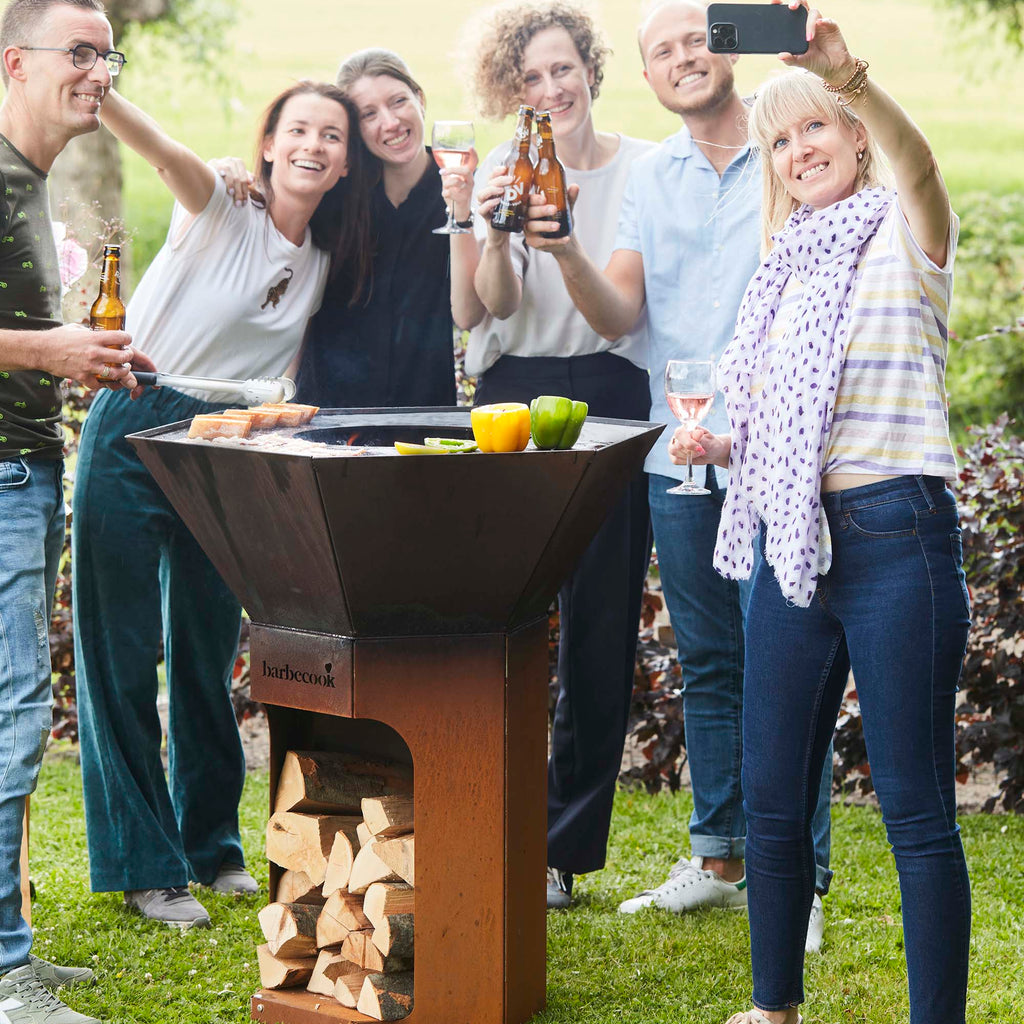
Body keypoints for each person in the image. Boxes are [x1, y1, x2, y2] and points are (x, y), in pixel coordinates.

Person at [671, 3, 970, 1021]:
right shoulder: (785, 270)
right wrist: (724, 444)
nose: (799, 149)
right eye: (780, 139)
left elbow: (920, 164)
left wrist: (846, 76)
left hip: (897, 539)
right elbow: (785, 421)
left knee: (915, 812)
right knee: (770, 800)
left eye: (815, 127)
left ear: (853, 135)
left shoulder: (906, 234)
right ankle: (774, 1007)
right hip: (791, 547)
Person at [526, 0, 833, 945]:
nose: (683, 58)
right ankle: (719, 857)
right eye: (662, 51)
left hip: (778, 451)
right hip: (682, 455)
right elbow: (619, 314)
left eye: (696, 39)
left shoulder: (789, 148)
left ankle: (800, 879)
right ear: (648, 76)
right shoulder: (651, 177)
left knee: (788, 658)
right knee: (708, 660)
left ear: (726, 50)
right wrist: (565, 249)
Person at [72, 80, 368, 929]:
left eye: (331, 136)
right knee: (122, 653)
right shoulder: (220, 203)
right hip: (137, 417)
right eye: (298, 129)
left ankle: (210, 846)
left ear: (346, 163)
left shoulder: (322, 260)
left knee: (205, 652)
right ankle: (145, 866)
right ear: (268, 143)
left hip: (228, 445)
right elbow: (160, 149)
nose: (313, 145)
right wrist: (101, 87)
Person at [465, 0, 655, 909]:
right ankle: (481, 816)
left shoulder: (645, 170)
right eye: (531, 78)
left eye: (562, 69)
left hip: (609, 391)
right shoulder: (498, 170)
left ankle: (562, 848)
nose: (550, 90)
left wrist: (567, 245)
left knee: (600, 622)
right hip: (511, 389)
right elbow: (494, 304)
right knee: (496, 612)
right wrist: (499, 235)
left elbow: (619, 316)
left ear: (590, 68)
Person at [0, 0, 155, 1019]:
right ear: (16, 62)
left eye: (108, 54)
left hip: (24, 470)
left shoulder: (29, 180)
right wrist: (49, 349)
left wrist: (83, 358)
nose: (99, 71)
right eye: (80, 52)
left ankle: (9, 950)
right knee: (12, 717)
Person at [293, 48, 482, 408]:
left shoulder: (462, 186)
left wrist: (461, 213)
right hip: (330, 410)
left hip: (423, 410)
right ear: (354, 128)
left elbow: (469, 315)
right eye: (369, 114)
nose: (391, 122)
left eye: (398, 101)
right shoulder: (335, 190)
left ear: (420, 99)